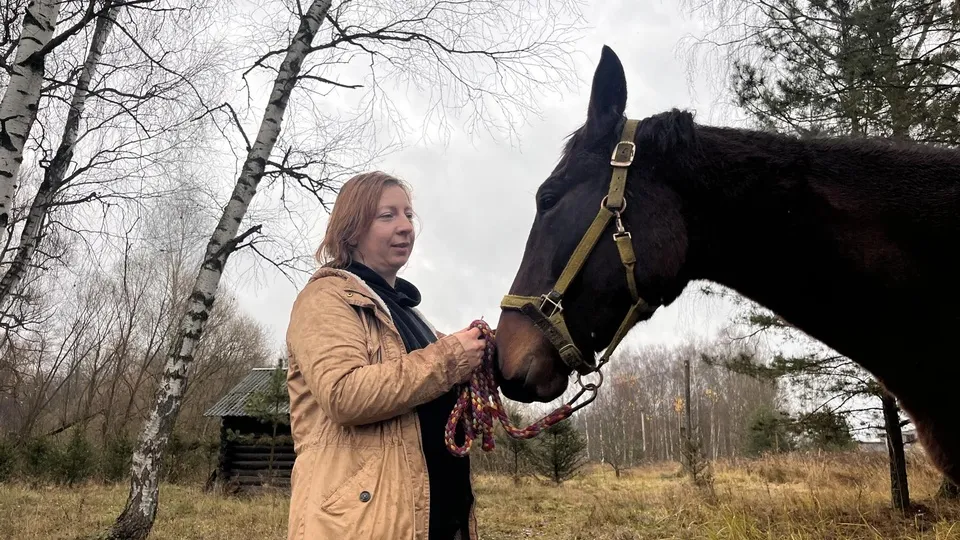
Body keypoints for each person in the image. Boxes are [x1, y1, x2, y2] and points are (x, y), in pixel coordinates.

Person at [285, 171, 486, 540]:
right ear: (352, 229)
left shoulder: (409, 314)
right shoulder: (325, 299)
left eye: (409, 214)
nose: (406, 226)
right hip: (360, 527)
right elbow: (344, 395)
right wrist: (450, 358)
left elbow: (431, 380)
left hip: (438, 523)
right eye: (387, 215)